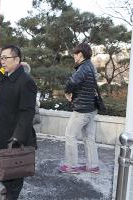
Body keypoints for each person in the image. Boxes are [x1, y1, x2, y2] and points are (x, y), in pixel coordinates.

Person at [0, 45, 37, 200]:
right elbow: (3, 103)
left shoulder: (26, 81)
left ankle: (11, 194)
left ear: (17, 59)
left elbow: (27, 112)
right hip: (1, 131)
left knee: (14, 171)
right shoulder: (5, 78)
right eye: (1, 58)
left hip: (15, 135)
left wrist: (17, 136)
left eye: (6, 58)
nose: (2, 61)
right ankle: (8, 188)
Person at [58, 43, 99, 174]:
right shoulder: (91, 67)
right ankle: (93, 166)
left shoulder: (83, 68)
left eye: (75, 54)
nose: (74, 57)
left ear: (80, 54)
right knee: (89, 138)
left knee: (70, 135)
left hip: (81, 109)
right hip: (91, 108)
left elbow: (72, 82)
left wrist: (67, 93)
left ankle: (71, 166)